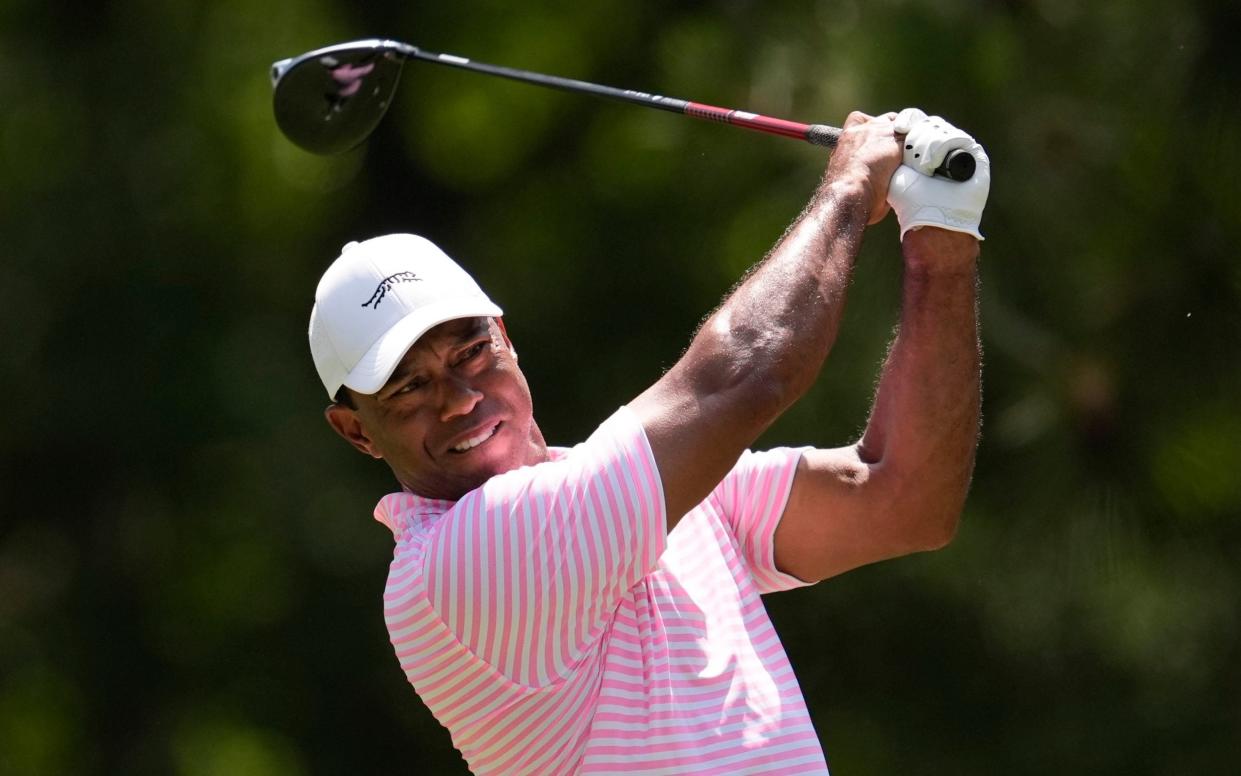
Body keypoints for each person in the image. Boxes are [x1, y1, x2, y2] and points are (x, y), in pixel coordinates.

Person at [309, 107, 990, 775]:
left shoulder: (633, 495)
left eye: (471, 352)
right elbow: (746, 374)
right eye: (407, 389)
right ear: (355, 432)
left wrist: (941, 245)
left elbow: (905, 498)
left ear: (507, 339)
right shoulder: (458, 569)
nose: (458, 399)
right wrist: (850, 183)